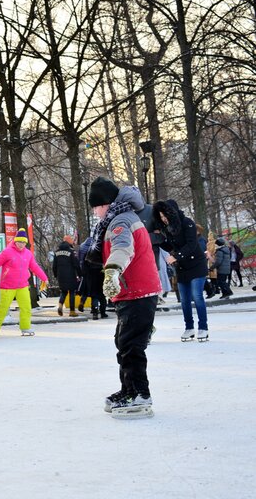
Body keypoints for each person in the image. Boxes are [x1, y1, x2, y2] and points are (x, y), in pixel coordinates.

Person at [84, 178, 160, 417]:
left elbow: (122, 247)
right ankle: (128, 389)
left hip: (137, 291)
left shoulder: (120, 222)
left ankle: (139, 394)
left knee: (131, 346)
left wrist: (113, 270)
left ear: (106, 203)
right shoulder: (119, 218)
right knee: (123, 342)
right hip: (132, 292)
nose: (95, 212)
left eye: (96, 207)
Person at [153, 200, 209, 342]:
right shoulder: (168, 228)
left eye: (165, 216)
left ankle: (203, 328)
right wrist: (159, 238)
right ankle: (189, 328)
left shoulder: (187, 223)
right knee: (184, 300)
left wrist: (175, 256)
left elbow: (191, 244)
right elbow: (170, 246)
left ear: (172, 213)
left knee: (197, 296)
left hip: (196, 264)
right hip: (182, 267)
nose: (164, 219)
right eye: (161, 217)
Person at [0, 228, 48, 336]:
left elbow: (35, 267)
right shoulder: (7, 252)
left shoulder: (28, 254)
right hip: (7, 286)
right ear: (15, 241)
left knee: (26, 307)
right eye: (19, 242)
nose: (21, 244)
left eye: (23, 242)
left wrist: (44, 278)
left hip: (22, 285)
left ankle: (25, 327)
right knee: (3, 308)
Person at [53, 235, 81, 317]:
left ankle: (60, 305)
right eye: (71, 239)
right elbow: (76, 264)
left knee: (63, 291)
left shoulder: (56, 252)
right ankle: (72, 311)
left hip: (60, 275)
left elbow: (54, 265)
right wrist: (80, 274)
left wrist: (55, 275)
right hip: (70, 275)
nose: (73, 241)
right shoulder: (71, 251)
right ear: (68, 241)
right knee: (72, 292)